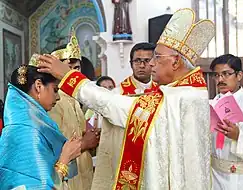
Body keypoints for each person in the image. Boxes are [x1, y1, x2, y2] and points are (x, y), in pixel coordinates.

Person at [37, 8, 215, 190]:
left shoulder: (179, 98)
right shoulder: (190, 93)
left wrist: (69, 77)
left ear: (175, 62)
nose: (151, 63)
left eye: (157, 57)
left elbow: (115, 106)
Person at [0, 55, 99, 189]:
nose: (58, 97)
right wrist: (64, 159)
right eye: (55, 90)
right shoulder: (28, 133)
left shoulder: (32, 126)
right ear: (39, 86)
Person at [49, 33, 96, 190]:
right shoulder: (54, 100)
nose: (74, 75)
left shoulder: (74, 99)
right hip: (67, 175)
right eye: (69, 69)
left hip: (84, 171)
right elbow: (54, 145)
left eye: (77, 69)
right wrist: (85, 143)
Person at [209, 54, 243, 190]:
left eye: (226, 74)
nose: (220, 79)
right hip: (215, 177)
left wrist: (239, 136)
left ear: (239, 76)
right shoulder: (209, 105)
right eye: (217, 75)